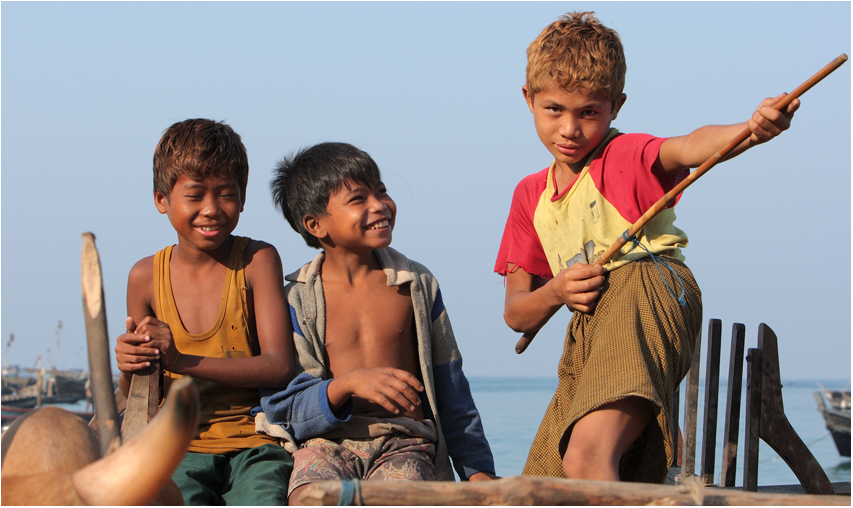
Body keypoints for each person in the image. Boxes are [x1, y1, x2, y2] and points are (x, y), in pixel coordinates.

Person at [495, 12, 798, 483]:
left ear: (616, 106)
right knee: (548, 480)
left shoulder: (624, 156)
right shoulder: (529, 197)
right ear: (528, 99)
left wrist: (751, 129)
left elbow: (691, 147)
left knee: (586, 459)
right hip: (588, 326)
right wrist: (557, 292)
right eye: (554, 109)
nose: (570, 129)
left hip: (647, 292)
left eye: (589, 112)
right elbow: (518, 313)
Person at [258, 142, 497, 505]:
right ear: (315, 224)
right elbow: (284, 407)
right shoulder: (296, 301)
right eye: (358, 199)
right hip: (325, 445)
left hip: (405, 441)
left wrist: (477, 469)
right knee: (310, 498)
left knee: (393, 498)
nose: (379, 205)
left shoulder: (415, 286)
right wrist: (347, 384)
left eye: (381, 191)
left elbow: (452, 388)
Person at [114, 118, 295, 505]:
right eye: (195, 196)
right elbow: (141, 395)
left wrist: (182, 359)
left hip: (257, 442)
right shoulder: (145, 277)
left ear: (243, 197)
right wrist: (130, 369)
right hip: (178, 445)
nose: (211, 209)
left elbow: (280, 366)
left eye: (225, 194)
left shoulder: (257, 261)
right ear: (162, 200)